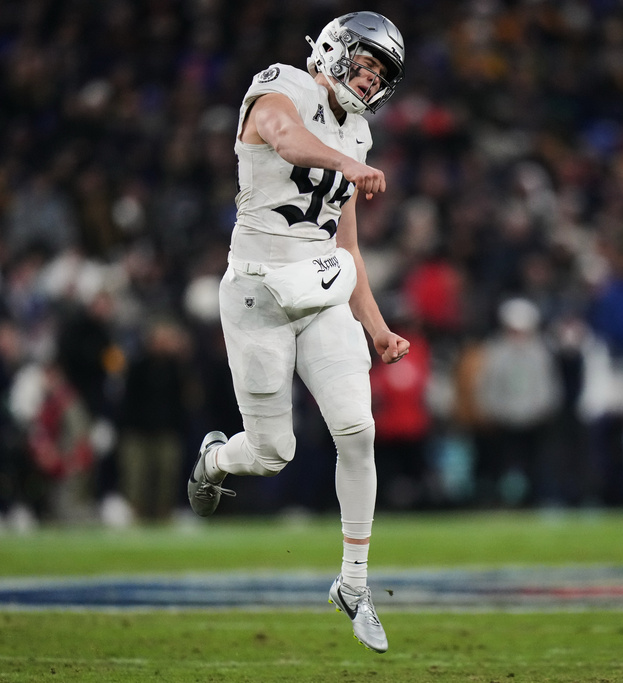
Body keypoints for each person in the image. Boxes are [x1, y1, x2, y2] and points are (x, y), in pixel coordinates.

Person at [186, 11, 408, 653]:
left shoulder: (358, 133)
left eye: (380, 74)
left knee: (358, 431)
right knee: (271, 452)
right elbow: (283, 138)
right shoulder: (283, 83)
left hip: (320, 290)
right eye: (364, 64)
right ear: (335, 51)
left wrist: (378, 327)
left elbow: (348, 244)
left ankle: (354, 585)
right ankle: (214, 459)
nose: (369, 81)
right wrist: (348, 162)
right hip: (256, 291)